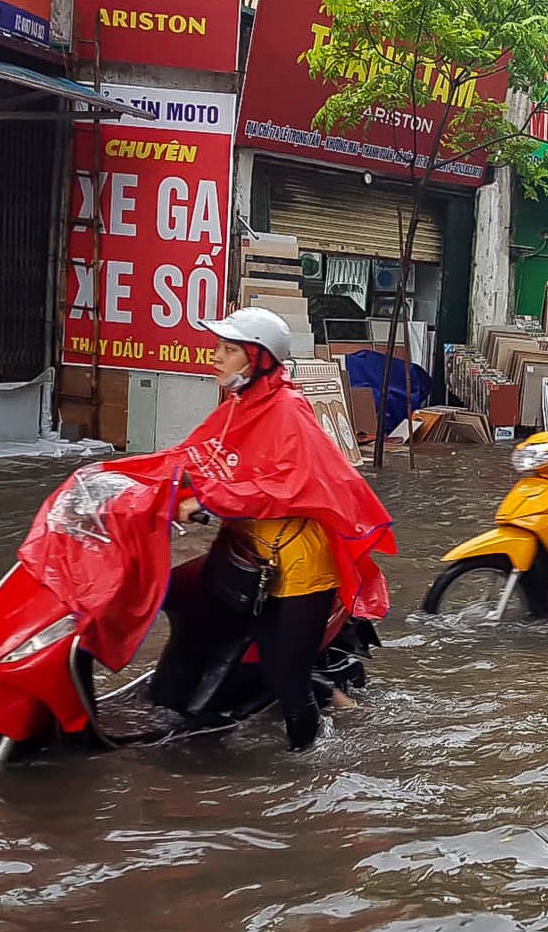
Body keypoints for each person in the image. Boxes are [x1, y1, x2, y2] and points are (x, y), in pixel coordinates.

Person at [151, 308, 396, 751]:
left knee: (288, 676)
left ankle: (307, 767)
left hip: (301, 565)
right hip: (255, 555)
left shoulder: (288, 411)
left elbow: (285, 483)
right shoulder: (241, 405)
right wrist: (142, 485)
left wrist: (207, 499)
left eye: (229, 351)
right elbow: (201, 455)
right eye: (218, 348)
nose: (216, 357)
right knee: (265, 659)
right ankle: (325, 704)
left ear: (259, 359)